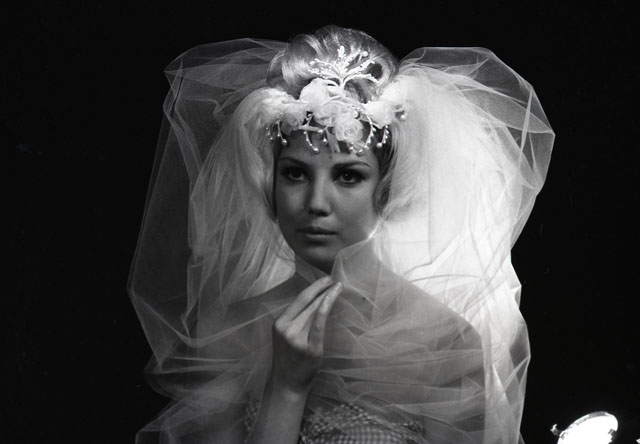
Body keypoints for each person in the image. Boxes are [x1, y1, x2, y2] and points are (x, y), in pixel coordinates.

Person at [129, 25, 554, 444]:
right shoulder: (228, 333)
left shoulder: (445, 341)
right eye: (295, 174)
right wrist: (285, 388)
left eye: (348, 176)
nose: (316, 202)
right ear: (270, 182)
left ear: (385, 188)